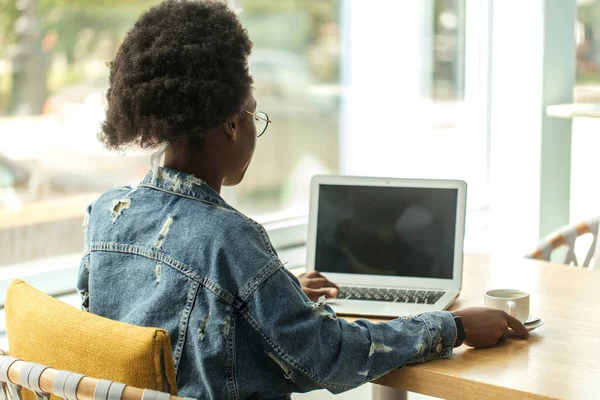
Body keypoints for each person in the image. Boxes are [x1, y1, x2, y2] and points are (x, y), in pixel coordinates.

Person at [77, 1, 528, 399]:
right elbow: (330, 356)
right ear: (233, 123)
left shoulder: (107, 214)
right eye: (256, 114)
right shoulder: (229, 240)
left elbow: (163, 314)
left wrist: (270, 287)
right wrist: (456, 326)